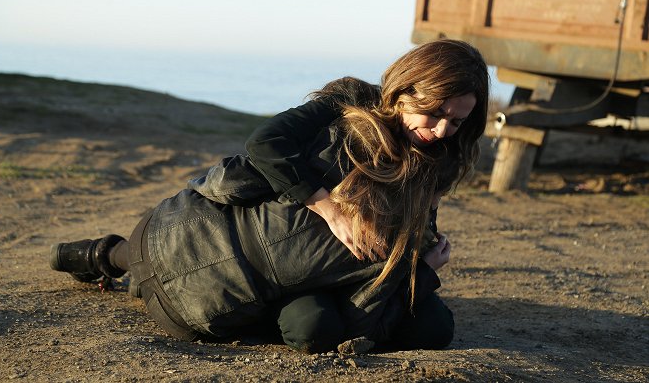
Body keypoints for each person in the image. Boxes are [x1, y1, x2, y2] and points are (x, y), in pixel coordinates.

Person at [49, 39, 489, 353]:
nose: (442, 131)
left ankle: (121, 260)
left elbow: (399, 256)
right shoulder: (349, 105)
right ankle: (104, 255)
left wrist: (423, 267)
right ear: (404, 88)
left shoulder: (434, 163)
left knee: (407, 325)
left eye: (458, 122)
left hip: (273, 286)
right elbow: (266, 143)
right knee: (159, 260)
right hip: (198, 235)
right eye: (434, 113)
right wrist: (326, 205)